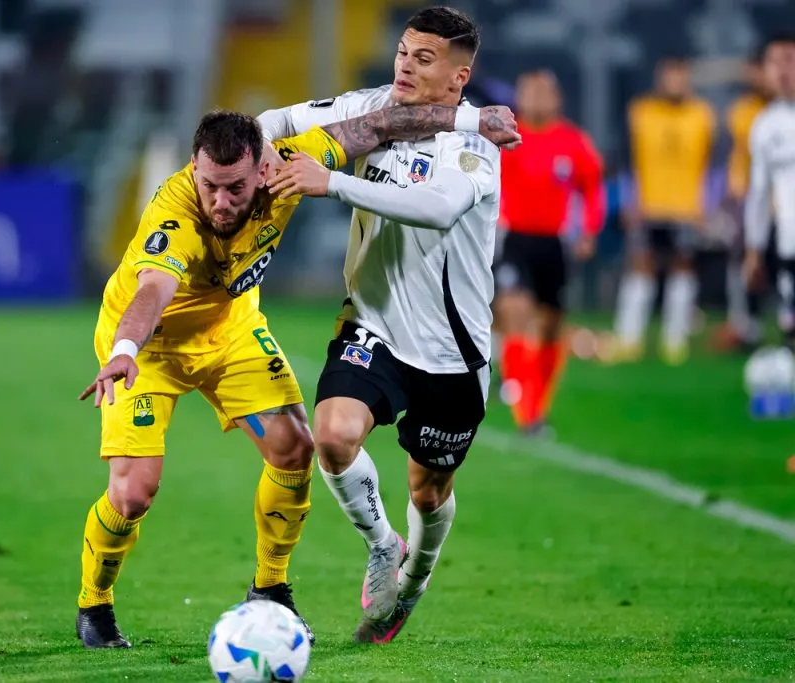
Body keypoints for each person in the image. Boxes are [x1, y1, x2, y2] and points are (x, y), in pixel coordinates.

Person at [74, 103, 520, 649]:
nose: (220, 201)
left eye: (234, 187)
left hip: (231, 331)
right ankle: (94, 603)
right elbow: (151, 292)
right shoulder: (176, 218)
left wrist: (473, 124)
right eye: (209, 184)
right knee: (134, 495)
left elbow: (378, 125)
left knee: (293, 447)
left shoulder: (294, 162)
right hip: (147, 348)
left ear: (264, 166)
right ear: (194, 169)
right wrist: (123, 348)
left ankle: (270, 589)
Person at [258, 6, 517, 643]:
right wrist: (257, 148)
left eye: (423, 59)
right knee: (335, 435)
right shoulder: (371, 108)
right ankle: (381, 543)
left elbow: (438, 208)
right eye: (403, 51)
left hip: (452, 352)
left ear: (460, 76)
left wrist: (333, 184)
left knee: (429, 491)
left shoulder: (475, 142)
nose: (404, 65)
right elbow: (277, 121)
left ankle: (415, 578)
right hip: (372, 327)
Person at [494, 69, 605, 435]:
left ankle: (538, 404)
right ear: (520, 97)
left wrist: (589, 231)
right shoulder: (506, 138)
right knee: (516, 312)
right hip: (515, 240)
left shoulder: (573, 142)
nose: (538, 99)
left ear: (557, 99)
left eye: (545, 92)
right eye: (531, 92)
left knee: (551, 328)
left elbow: (592, 189)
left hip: (553, 244)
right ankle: (524, 410)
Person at [611, 57, 715, 364]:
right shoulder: (641, 112)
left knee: (682, 268)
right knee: (641, 267)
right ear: (659, 79)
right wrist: (630, 198)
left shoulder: (702, 115)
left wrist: (706, 203)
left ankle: (675, 340)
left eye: (680, 77)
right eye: (669, 77)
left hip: (686, 207)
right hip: (648, 206)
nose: (674, 84)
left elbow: (709, 162)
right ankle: (629, 338)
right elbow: (628, 159)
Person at [713, 52, 774, 353]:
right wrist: (734, 195)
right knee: (744, 264)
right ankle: (745, 327)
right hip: (751, 200)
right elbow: (739, 158)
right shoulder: (741, 112)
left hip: (784, 202)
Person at [744, 32, 795, 351]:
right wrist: (754, 249)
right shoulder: (764, 125)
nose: (782, 71)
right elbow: (759, 194)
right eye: (773, 62)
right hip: (789, 246)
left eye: (789, 60)